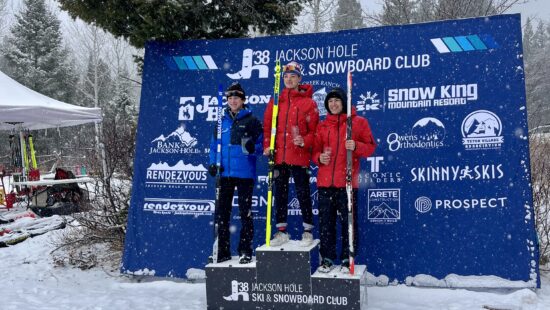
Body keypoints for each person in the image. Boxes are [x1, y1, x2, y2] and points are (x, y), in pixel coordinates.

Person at [312, 87, 377, 272]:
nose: (333, 104)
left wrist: (356, 145)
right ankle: (327, 258)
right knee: (326, 224)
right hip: (325, 183)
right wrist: (318, 158)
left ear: (344, 103)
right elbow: (314, 150)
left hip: (347, 183)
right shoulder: (322, 125)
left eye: (337, 101)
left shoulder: (358, 122)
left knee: (348, 223)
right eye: (330, 101)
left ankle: (347, 258)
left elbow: (371, 147)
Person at [262, 61, 319, 247]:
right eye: (286, 77)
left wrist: (304, 140)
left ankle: (308, 231)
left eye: (293, 76)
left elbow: (315, 132)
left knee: (303, 192)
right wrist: (267, 146)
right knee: (281, 193)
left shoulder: (308, 103)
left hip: (299, 156)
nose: (289, 79)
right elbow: (268, 126)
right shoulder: (275, 100)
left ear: (299, 79)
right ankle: (281, 232)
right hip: (279, 156)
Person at [208, 83, 263, 264]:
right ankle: (221, 251)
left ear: (243, 100)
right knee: (222, 214)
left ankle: (245, 251)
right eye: (230, 98)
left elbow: (262, 146)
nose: (233, 101)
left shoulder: (252, 121)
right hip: (224, 174)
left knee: (245, 213)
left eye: (236, 98)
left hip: (245, 173)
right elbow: (213, 145)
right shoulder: (220, 121)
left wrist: (252, 148)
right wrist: (212, 164)